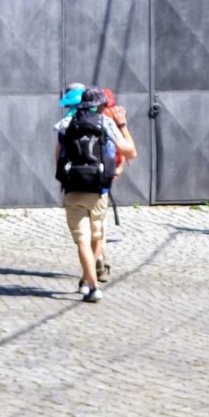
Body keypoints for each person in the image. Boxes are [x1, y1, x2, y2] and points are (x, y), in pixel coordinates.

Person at [55, 86, 136, 302]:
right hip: (99, 189)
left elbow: (57, 157)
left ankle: (90, 284)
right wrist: (123, 125)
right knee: (96, 236)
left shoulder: (65, 124)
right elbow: (131, 152)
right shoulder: (106, 122)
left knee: (82, 240)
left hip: (74, 188)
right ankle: (90, 282)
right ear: (100, 105)